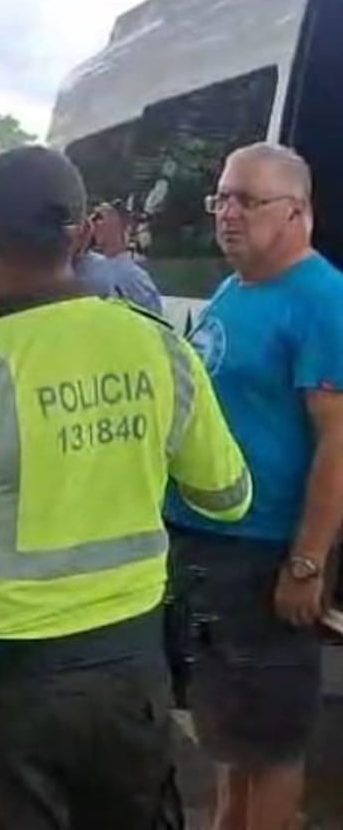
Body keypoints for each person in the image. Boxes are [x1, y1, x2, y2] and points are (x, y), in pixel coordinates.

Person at [0, 146, 252, 830]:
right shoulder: (159, 346)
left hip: (3, 692)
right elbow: (228, 496)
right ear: (79, 234)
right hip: (133, 674)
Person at [164, 142, 343, 830]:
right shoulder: (235, 288)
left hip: (267, 552)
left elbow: (337, 443)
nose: (228, 213)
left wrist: (307, 561)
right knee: (230, 736)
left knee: (270, 745)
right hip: (209, 550)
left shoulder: (321, 301)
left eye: (249, 199)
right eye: (222, 197)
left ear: (297, 213)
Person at [73, 200, 163, 313]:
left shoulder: (133, 277)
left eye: (98, 217)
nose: (92, 222)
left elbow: (153, 322)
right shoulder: (78, 265)